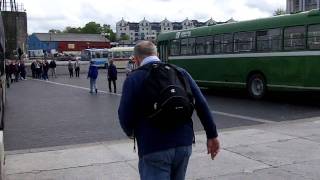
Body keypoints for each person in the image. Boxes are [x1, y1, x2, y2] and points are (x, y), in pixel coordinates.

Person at [118, 41, 220, 180]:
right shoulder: (180, 72)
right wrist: (212, 135)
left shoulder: (134, 78)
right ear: (157, 54)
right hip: (183, 143)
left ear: (136, 59)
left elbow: (125, 114)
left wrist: (131, 133)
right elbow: (201, 104)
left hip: (153, 145)